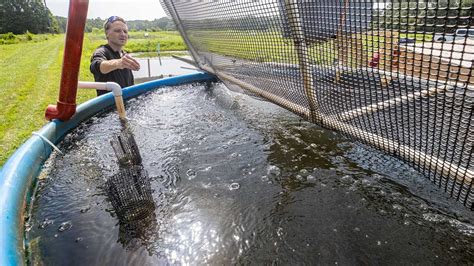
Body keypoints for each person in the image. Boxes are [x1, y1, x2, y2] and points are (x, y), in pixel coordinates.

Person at [90, 16, 140, 96]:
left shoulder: (124, 54)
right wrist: (118, 63)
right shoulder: (101, 51)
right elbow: (97, 66)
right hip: (109, 106)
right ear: (107, 34)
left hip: (127, 103)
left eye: (125, 31)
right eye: (117, 31)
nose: (123, 34)